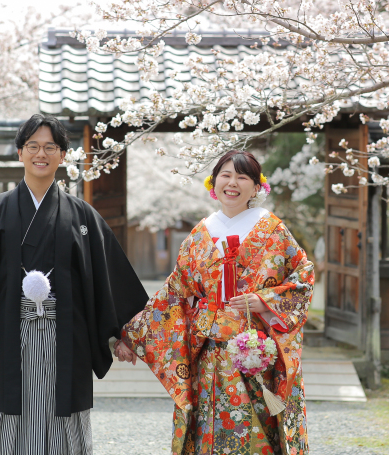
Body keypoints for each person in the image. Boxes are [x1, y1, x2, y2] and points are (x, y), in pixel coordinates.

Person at [0, 114, 149, 455]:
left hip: (67, 335)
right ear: (20, 153)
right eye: (32, 146)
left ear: (63, 156)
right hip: (9, 332)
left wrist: (124, 332)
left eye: (51, 146)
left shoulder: (82, 216)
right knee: (10, 415)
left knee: (66, 417)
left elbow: (110, 277)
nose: (41, 153)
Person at [115, 150, 314, 455]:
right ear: (214, 181)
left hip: (257, 351)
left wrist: (264, 301)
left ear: (256, 187)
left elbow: (303, 276)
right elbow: (174, 293)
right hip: (209, 353)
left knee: (257, 431)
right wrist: (131, 335)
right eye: (226, 175)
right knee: (208, 430)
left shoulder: (273, 231)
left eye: (242, 177)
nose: (233, 183)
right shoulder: (200, 234)